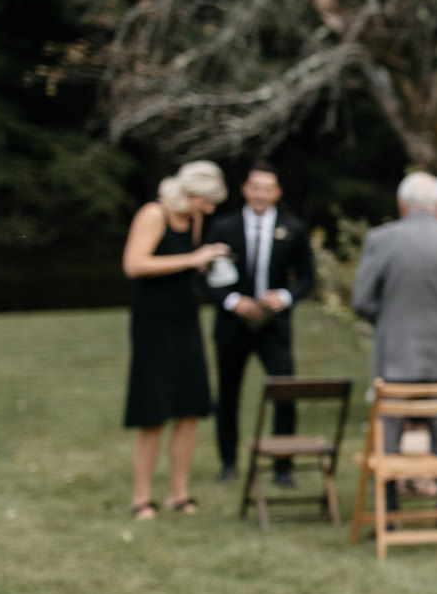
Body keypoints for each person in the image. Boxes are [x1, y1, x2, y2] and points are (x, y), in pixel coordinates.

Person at [351, 172, 437, 504]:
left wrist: (390, 320)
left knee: (388, 431)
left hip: (394, 352)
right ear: (436, 206)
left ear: (402, 203)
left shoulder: (381, 238)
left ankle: (387, 510)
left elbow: (361, 300)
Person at [121, 160, 232, 519]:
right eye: (207, 201)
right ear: (191, 192)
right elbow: (134, 264)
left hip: (186, 319)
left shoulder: (195, 220)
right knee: (153, 411)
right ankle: (141, 498)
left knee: (189, 409)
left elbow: (187, 265)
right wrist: (191, 258)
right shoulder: (155, 213)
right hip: (153, 321)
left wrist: (206, 264)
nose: (210, 210)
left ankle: (178, 493)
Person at [205, 161, 316, 485]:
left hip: (274, 326)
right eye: (255, 187)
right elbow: (204, 280)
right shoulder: (223, 228)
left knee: (284, 391)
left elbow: (307, 278)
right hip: (231, 324)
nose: (260, 194)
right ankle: (227, 463)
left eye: (267, 188)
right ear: (245, 189)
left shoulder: (292, 229)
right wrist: (231, 300)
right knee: (228, 393)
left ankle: (283, 467)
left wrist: (285, 295)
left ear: (277, 192)